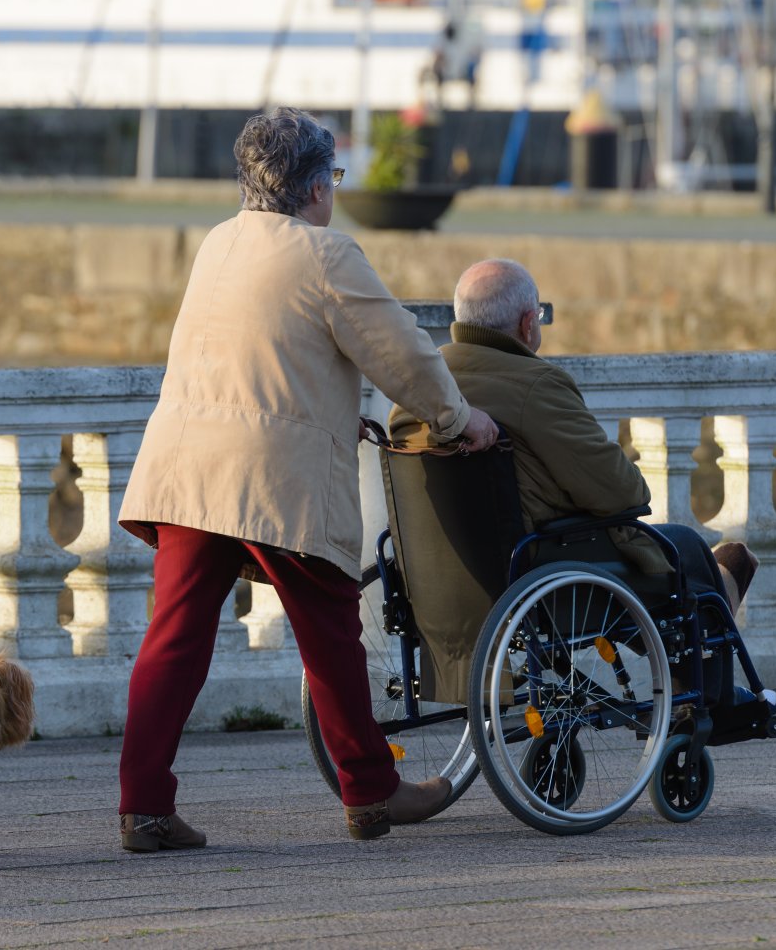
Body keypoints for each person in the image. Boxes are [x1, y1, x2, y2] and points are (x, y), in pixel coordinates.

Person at [115, 108, 499, 853]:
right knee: (331, 635)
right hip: (273, 475)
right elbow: (404, 355)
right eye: (335, 180)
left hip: (188, 467)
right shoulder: (326, 252)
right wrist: (458, 420)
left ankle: (144, 807)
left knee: (173, 640)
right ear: (317, 186)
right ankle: (371, 790)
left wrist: (328, 411)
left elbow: (261, 355)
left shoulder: (219, 242)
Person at [388, 258, 776, 706]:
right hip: (535, 577)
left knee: (683, 562)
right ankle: (707, 701)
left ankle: (711, 635)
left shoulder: (418, 391)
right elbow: (623, 494)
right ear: (528, 324)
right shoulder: (536, 384)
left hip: (439, 583)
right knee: (684, 549)